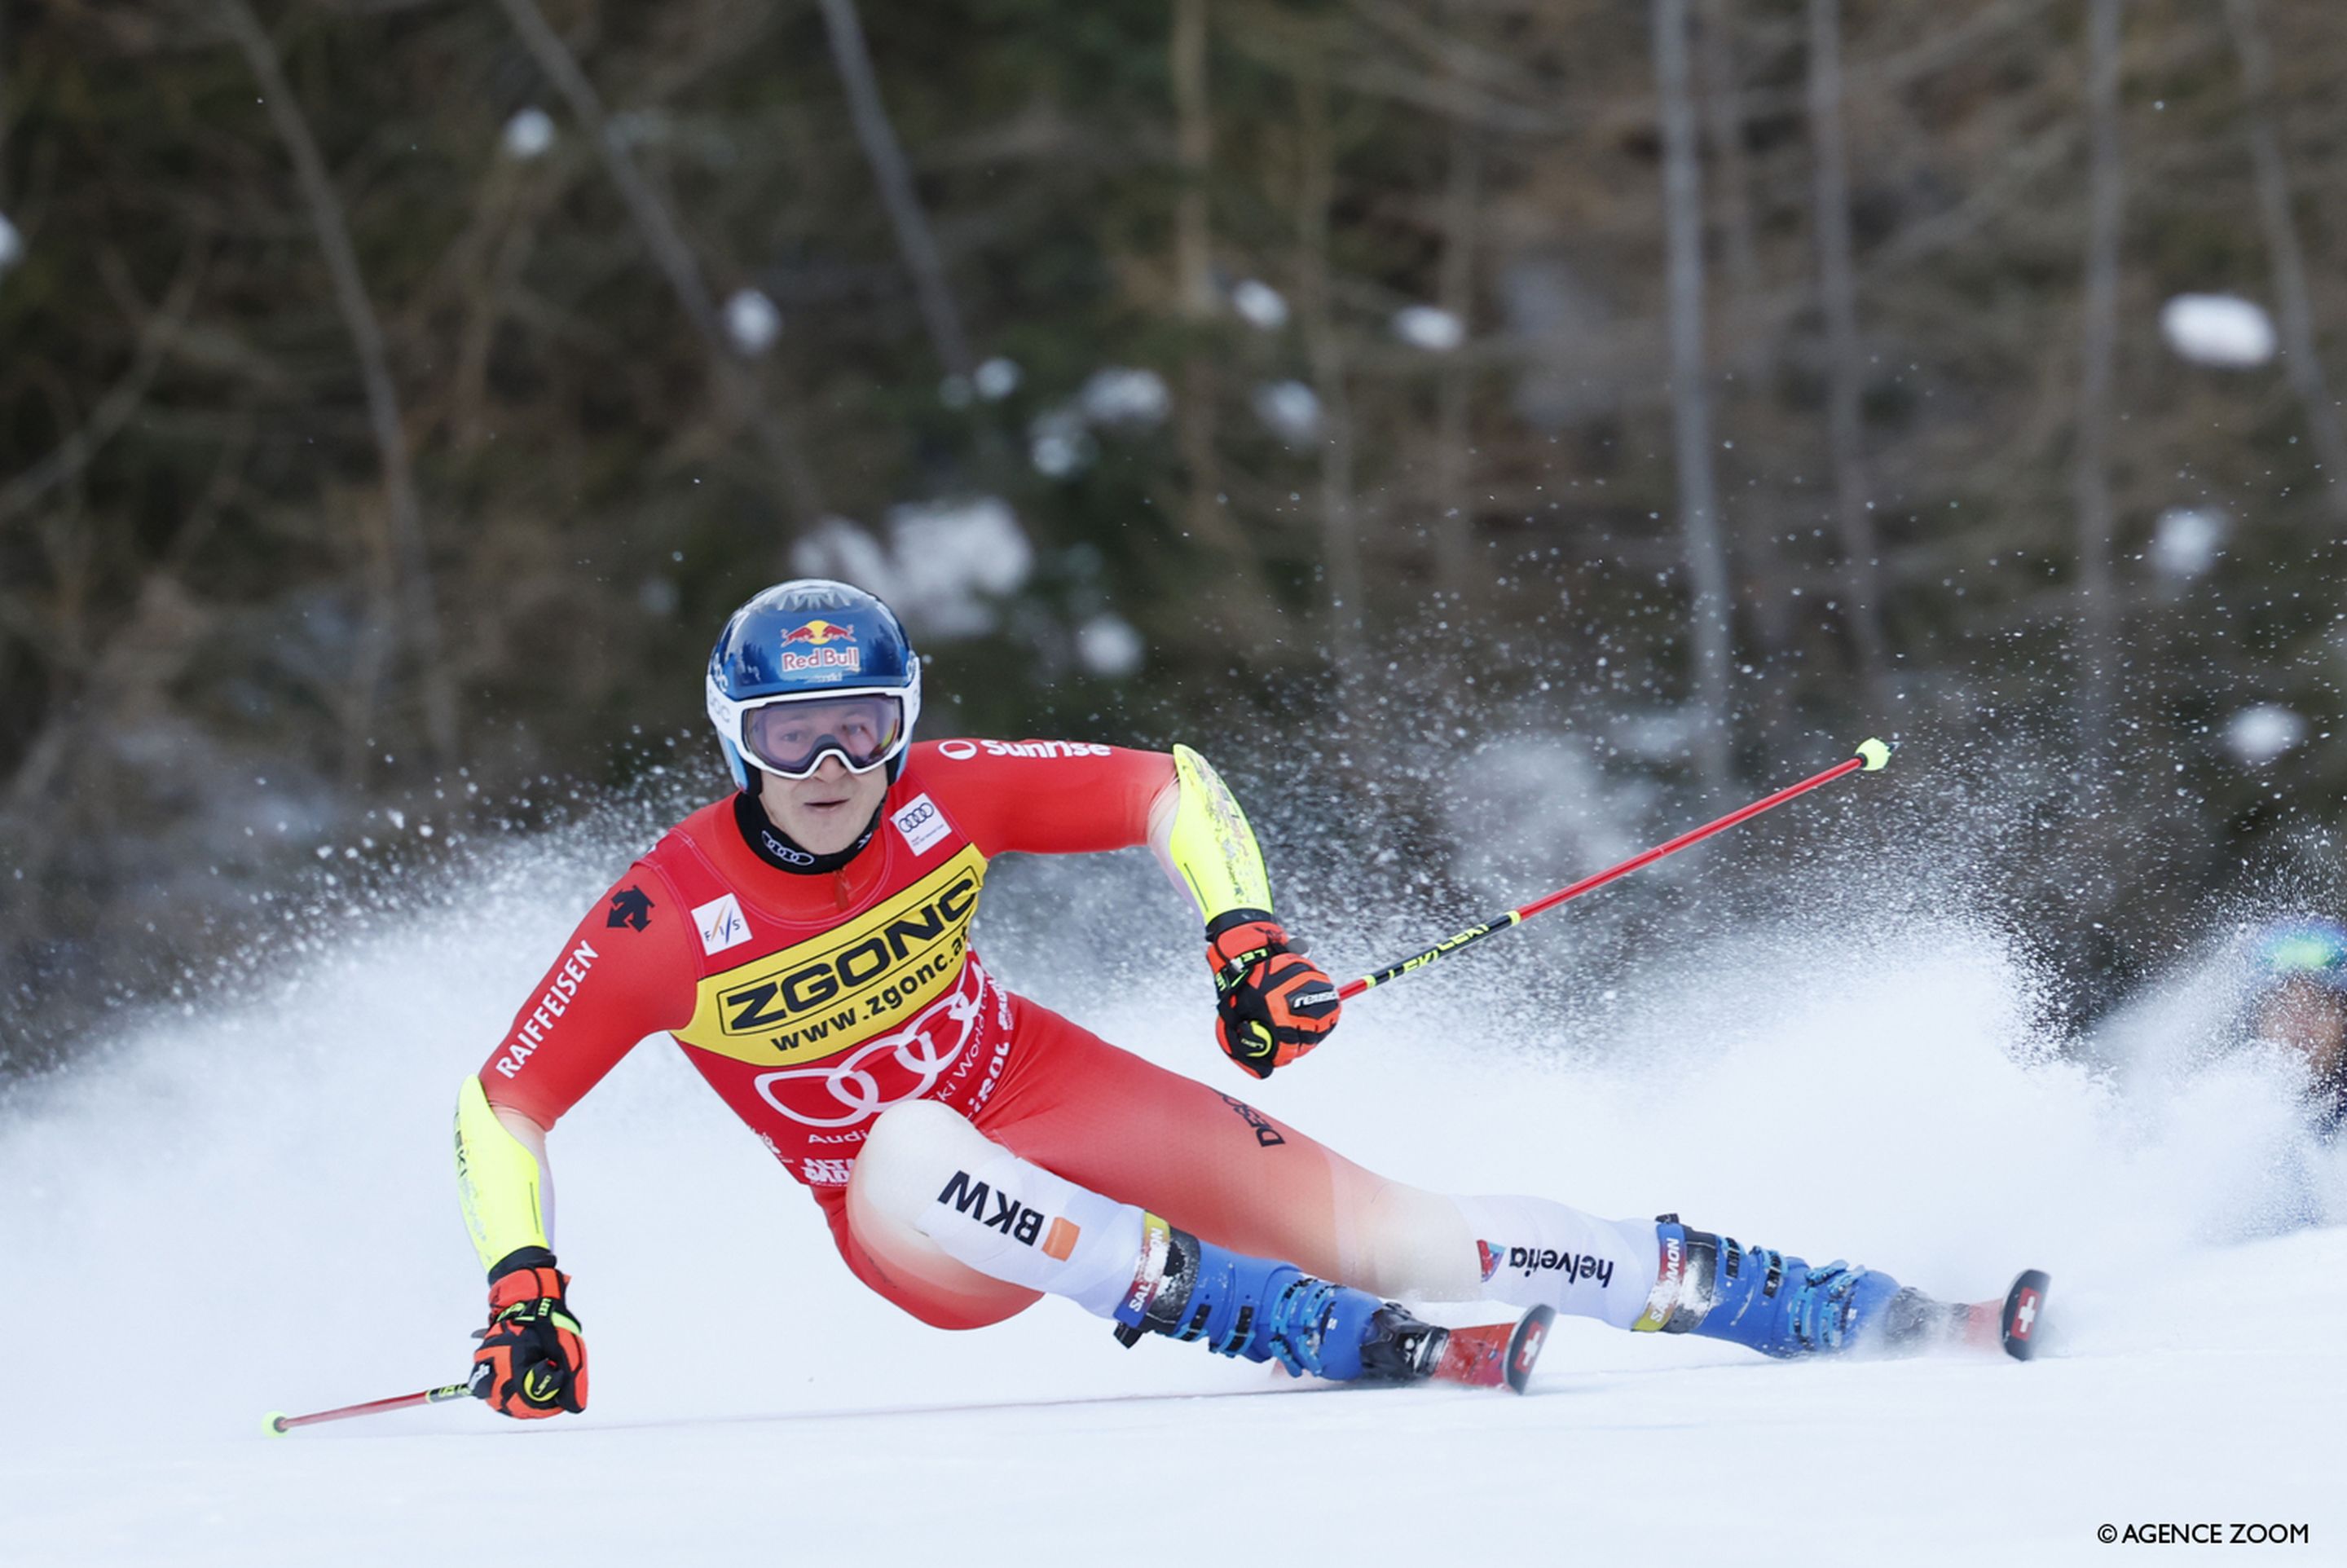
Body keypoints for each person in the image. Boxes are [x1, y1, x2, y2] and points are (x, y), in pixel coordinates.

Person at [456, 579, 1960, 1420]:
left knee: (1400, 1226)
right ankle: (1267, 1319)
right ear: (736, 742)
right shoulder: (670, 914)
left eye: (867, 727)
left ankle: (1794, 1299)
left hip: (1045, 1086)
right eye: (796, 737)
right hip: (904, 1214)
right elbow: (501, 1100)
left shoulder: (946, 795)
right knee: (908, 1134)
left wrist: (1243, 932)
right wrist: (524, 1279)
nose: (839, 770)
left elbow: (1167, 783)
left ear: (907, 719)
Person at [2247, 918, 2347, 1139]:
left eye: (2319, 1004)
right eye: (2283, 1006)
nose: (2300, 1024)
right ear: (2258, 1017)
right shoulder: (2225, 1100)